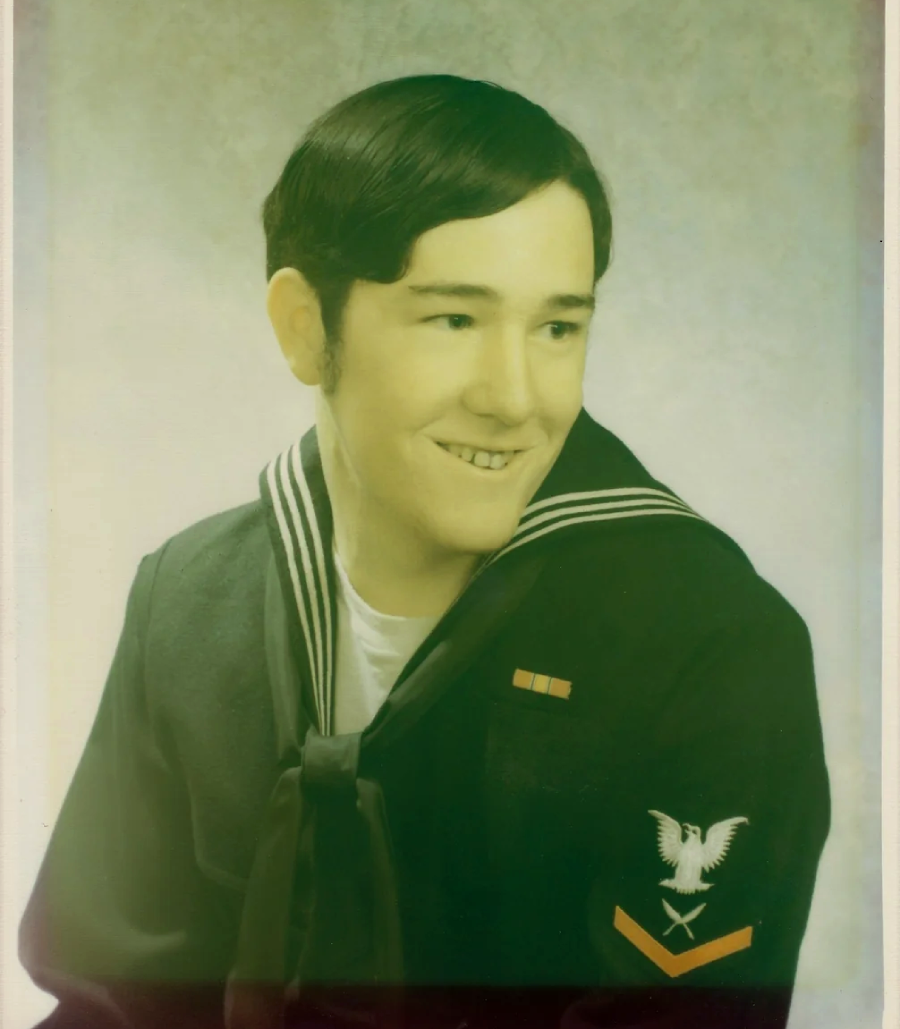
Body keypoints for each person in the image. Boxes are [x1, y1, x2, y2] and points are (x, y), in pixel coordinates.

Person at [20, 75, 830, 1029]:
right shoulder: (190, 599)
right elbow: (114, 1001)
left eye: (558, 327)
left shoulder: (710, 641)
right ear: (305, 327)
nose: (515, 396)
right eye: (455, 319)